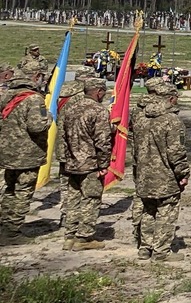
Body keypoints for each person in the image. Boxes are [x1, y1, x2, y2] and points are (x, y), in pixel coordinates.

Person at [131, 79, 189, 261]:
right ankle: (161, 251)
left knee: (148, 210)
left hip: (143, 173)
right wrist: (183, 173)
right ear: (171, 99)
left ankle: (145, 247)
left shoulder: (140, 118)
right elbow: (176, 152)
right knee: (166, 211)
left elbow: (134, 147)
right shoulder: (171, 121)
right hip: (165, 176)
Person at [58, 76, 114, 251]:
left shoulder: (71, 108)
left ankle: (70, 235)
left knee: (73, 198)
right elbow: (103, 141)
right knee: (91, 198)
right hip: (90, 163)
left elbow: (64, 136)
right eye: (103, 92)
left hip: (72, 161)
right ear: (98, 92)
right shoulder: (98, 111)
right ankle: (84, 237)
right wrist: (104, 165)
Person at [0, 67, 50, 243]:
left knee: (10, 189)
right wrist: (49, 117)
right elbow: (37, 126)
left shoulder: (6, 96)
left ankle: (5, 224)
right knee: (23, 191)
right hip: (27, 154)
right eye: (42, 76)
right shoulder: (34, 99)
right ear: (35, 76)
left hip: (8, 152)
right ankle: (12, 232)